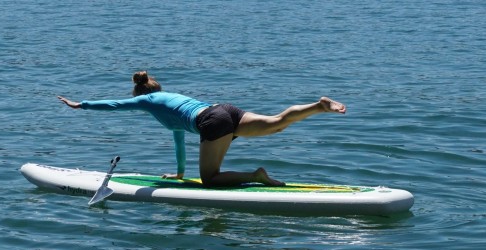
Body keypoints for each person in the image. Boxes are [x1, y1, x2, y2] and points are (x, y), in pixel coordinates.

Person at [58, 71, 346, 187]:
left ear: (140, 92)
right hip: (224, 110)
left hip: (212, 122)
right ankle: (317, 106)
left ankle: (256, 176)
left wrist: (80, 105)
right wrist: (180, 174)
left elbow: (116, 105)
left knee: (210, 179)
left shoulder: (146, 100)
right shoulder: (171, 103)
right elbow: (178, 141)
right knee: (275, 124)